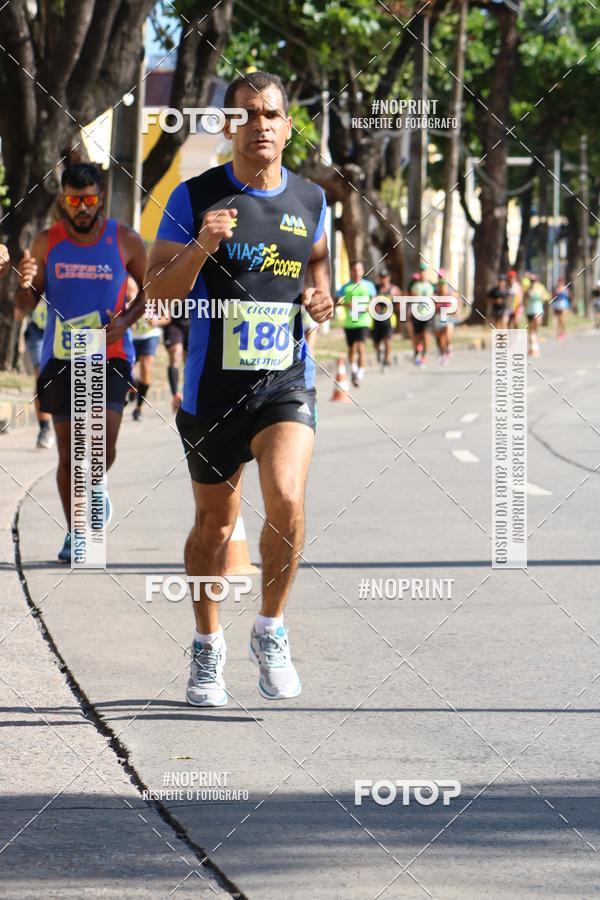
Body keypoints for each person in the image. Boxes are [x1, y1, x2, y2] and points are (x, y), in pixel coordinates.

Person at [146, 71, 333, 706]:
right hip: (213, 391)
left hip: (284, 382)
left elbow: (317, 261)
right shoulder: (194, 195)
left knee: (288, 499)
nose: (260, 124)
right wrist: (202, 243)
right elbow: (158, 292)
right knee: (215, 526)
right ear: (229, 126)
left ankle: (271, 628)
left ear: (288, 125)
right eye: (246, 114)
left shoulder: (311, 198)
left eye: (271, 114)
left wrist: (320, 296)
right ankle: (207, 644)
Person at [14, 163, 147, 562]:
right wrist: (23, 283)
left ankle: (96, 489)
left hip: (109, 354)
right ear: (63, 201)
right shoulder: (46, 242)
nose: (83, 208)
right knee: (70, 453)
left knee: (101, 445)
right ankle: (77, 533)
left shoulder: (125, 240)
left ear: (99, 199)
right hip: (61, 357)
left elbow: (151, 289)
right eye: (74, 201)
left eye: (89, 200)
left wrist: (126, 320)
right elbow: (23, 307)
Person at [14, 297, 55, 448]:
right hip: (38, 331)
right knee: (42, 377)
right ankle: (44, 430)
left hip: (66, 328)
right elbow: (20, 308)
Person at [129, 282, 168, 421]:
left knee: (146, 367)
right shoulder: (129, 285)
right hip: (132, 336)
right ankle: (133, 385)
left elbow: (167, 317)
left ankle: (138, 408)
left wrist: (156, 321)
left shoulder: (157, 290)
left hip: (150, 335)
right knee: (127, 369)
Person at [337, 261, 376, 387]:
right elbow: (337, 300)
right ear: (350, 271)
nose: (356, 272)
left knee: (360, 345)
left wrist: (367, 307)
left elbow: (374, 301)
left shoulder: (368, 286)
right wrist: (346, 304)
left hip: (364, 321)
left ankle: (360, 373)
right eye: (354, 270)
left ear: (363, 271)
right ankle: (353, 369)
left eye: (359, 270)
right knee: (351, 348)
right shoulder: (346, 287)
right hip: (350, 323)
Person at [164, 308, 189, 411]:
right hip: (173, 321)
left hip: (193, 319)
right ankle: (176, 395)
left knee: (189, 362)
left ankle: (188, 394)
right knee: (175, 354)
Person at [409, 263, 435, 365]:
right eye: (420, 271)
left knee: (425, 334)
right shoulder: (415, 285)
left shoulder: (430, 285)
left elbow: (434, 297)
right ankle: (417, 351)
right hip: (416, 313)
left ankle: (424, 355)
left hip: (428, 313)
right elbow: (411, 298)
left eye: (424, 271)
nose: (422, 273)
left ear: (426, 272)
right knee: (417, 335)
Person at [433, 272, 456, 364]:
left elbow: (456, 304)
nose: (442, 286)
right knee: (440, 337)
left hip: (448, 317)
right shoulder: (435, 292)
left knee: (447, 332)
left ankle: (448, 346)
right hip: (438, 317)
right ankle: (443, 354)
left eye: (444, 284)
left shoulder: (450, 292)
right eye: (440, 284)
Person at [524, 273, 548, 356]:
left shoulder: (541, 288)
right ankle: (532, 348)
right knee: (531, 330)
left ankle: (535, 347)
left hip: (538, 310)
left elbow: (546, 297)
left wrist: (541, 296)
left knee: (536, 327)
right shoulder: (527, 289)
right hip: (529, 311)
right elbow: (524, 300)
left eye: (534, 281)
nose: (533, 282)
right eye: (531, 281)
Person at [552, 276, 570, 341]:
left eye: (561, 281)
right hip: (556, 305)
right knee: (557, 320)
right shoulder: (555, 288)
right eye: (559, 281)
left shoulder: (565, 289)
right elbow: (553, 297)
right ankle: (559, 333)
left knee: (562, 320)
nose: (560, 283)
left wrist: (568, 306)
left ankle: (563, 332)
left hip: (563, 305)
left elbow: (567, 297)